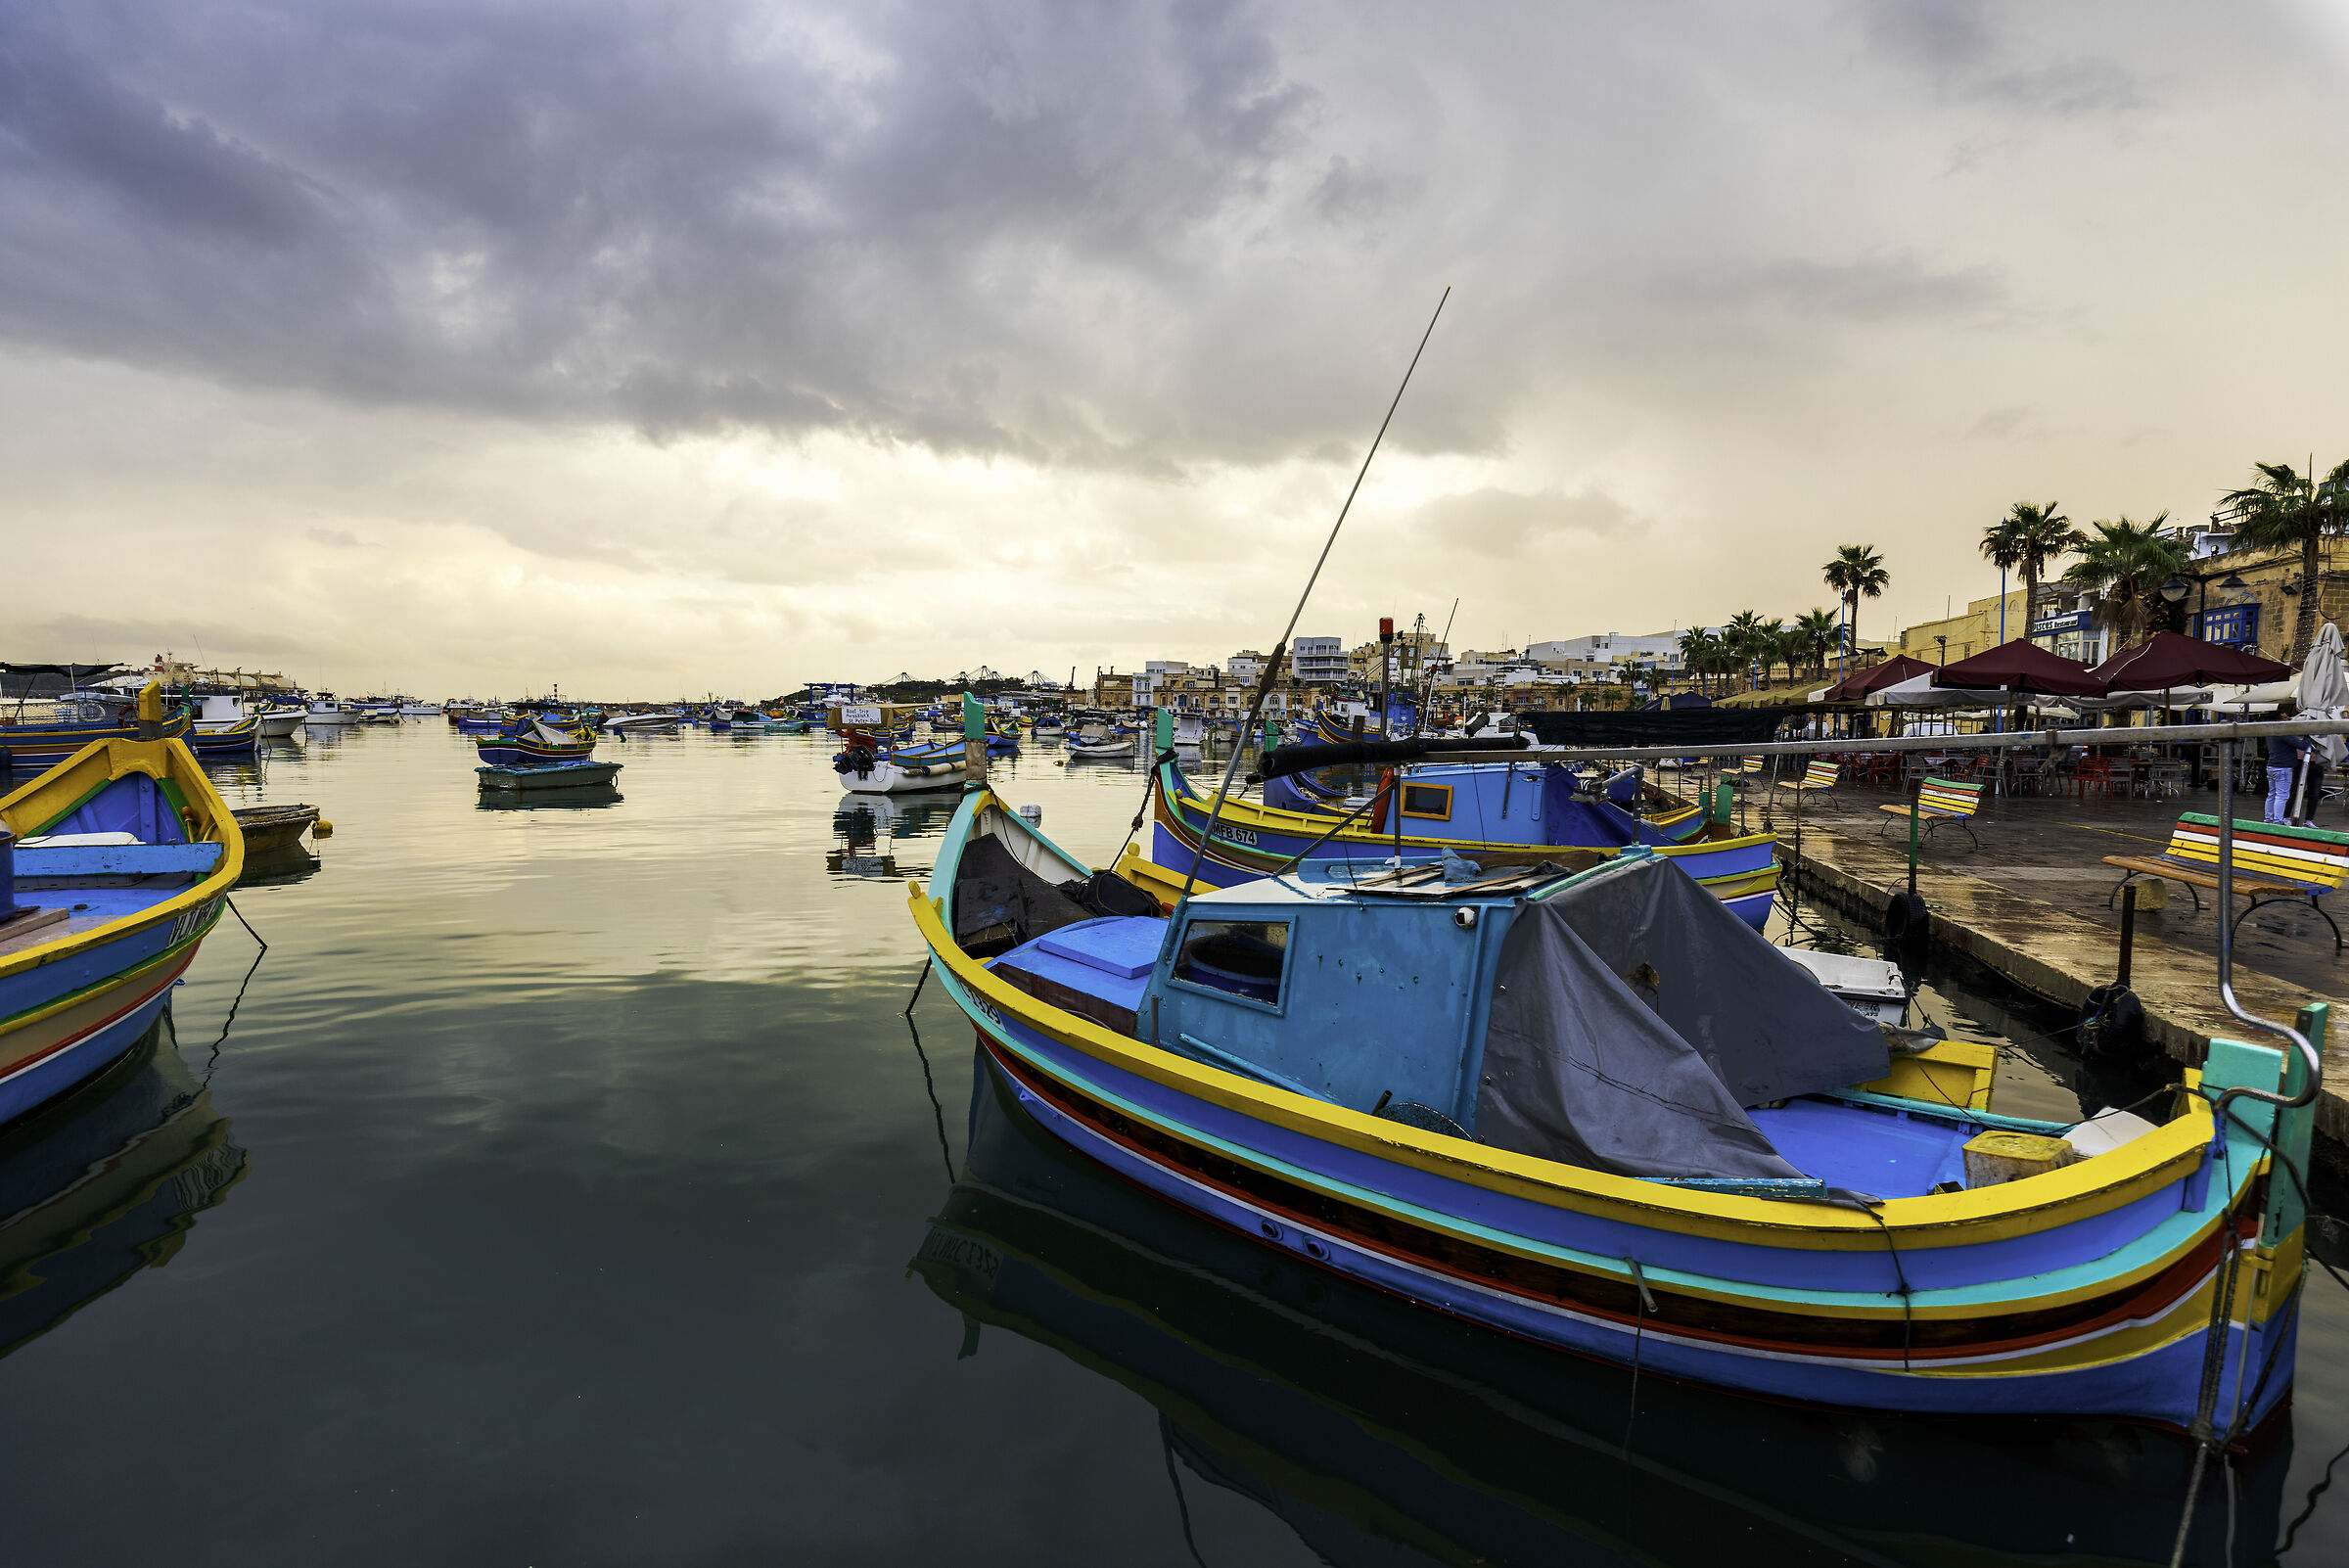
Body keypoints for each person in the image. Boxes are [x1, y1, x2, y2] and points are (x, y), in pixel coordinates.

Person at [2266, 715, 2311, 825]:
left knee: (2271, 794)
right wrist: (2308, 734)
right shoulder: (2284, 732)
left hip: (2271, 766)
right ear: (2280, 720)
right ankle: (2278, 821)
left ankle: (2268, 819)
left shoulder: (2270, 732)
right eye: (2285, 717)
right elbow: (2302, 745)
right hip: (2283, 768)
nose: (2289, 719)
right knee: (2282, 796)